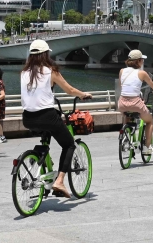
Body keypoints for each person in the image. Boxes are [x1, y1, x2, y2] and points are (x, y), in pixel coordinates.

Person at [21, 39, 92, 198]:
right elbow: (69, 90)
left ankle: (43, 163)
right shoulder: (51, 70)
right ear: (46, 54)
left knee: (46, 135)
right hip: (46, 116)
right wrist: (83, 95)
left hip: (27, 118)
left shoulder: (24, 73)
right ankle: (59, 181)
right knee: (69, 144)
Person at [117, 49, 153, 152]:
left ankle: (126, 136)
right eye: (142, 60)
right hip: (135, 103)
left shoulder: (122, 71)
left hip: (122, 103)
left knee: (127, 115)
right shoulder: (142, 73)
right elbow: (152, 85)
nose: (142, 61)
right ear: (138, 61)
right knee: (149, 121)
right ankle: (147, 147)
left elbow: (122, 86)